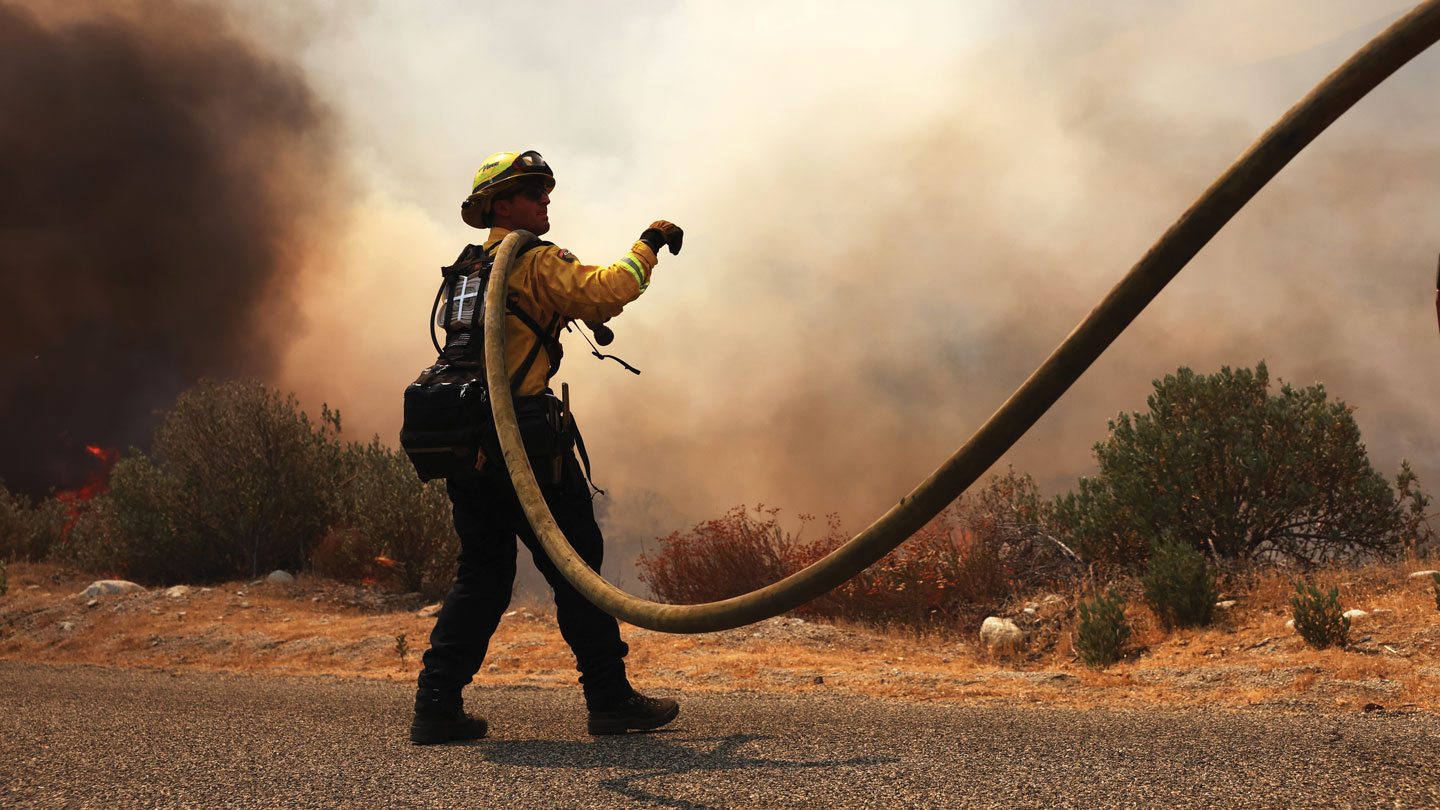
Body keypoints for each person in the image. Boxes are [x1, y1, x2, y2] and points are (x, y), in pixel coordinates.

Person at [410, 150, 684, 744]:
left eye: (545, 190)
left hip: (470, 440)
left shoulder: (468, 266)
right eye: (532, 191)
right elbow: (606, 292)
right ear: (500, 205)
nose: (545, 199)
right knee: (577, 567)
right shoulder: (531, 260)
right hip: (523, 441)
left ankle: (436, 704)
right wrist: (649, 243)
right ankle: (610, 700)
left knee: (481, 574)